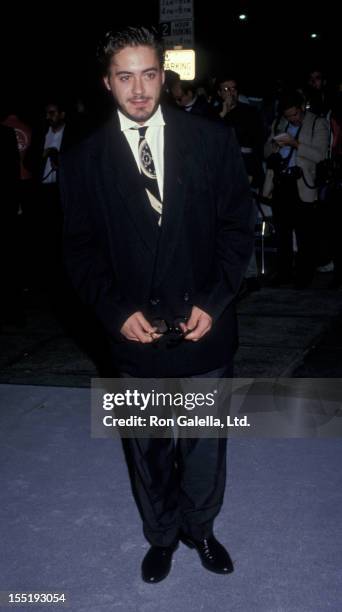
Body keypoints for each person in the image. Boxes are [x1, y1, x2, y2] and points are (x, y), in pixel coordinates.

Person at [60, 26, 254, 583]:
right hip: (134, 333)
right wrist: (116, 311)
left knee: (202, 445)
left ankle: (202, 530)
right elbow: (79, 252)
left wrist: (216, 301)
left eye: (149, 74)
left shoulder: (211, 141)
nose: (139, 90)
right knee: (147, 449)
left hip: (203, 325)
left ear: (163, 76)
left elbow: (238, 229)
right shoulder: (83, 160)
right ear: (107, 82)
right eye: (125, 77)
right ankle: (163, 536)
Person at [264, 90, 329, 288]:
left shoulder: (317, 123)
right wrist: (274, 146)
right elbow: (265, 151)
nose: (293, 119)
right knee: (282, 233)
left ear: (302, 109)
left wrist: (296, 144)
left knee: (304, 235)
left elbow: (320, 155)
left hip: (303, 183)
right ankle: (283, 273)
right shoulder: (279, 123)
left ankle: (303, 276)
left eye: (296, 115)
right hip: (282, 183)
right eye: (289, 116)